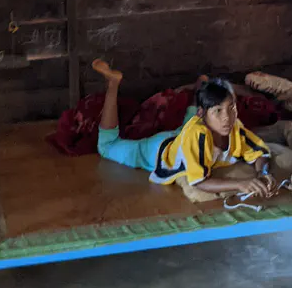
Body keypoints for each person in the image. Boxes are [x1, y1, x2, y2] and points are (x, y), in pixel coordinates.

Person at [92, 60, 274, 196]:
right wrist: (241, 184)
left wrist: (263, 174)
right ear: (203, 115)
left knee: (189, 120)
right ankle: (113, 84)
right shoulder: (197, 134)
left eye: (231, 109)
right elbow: (199, 181)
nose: (227, 117)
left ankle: (201, 84)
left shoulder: (233, 127)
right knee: (107, 145)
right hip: (158, 150)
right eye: (218, 111)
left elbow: (259, 153)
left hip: (182, 136)